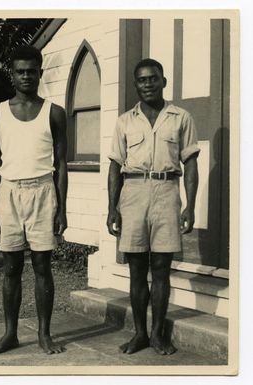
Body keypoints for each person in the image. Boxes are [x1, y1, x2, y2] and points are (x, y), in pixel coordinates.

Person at [107, 58, 199, 356]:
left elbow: (191, 163)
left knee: (161, 268)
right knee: (136, 269)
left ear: (164, 81)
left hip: (167, 190)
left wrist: (190, 206)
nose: (148, 84)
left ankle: (158, 335)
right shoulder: (124, 121)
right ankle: (140, 334)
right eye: (142, 80)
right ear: (136, 85)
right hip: (132, 192)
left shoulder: (180, 117)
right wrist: (112, 208)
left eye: (153, 78)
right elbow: (114, 167)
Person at [0, 45, 68, 355]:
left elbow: (61, 164)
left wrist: (63, 207)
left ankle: (45, 335)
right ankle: (11, 333)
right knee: (11, 268)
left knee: (43, 266)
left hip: (43, 192)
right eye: (20, 71)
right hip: (9, 193)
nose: (26, 76)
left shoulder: (54, 113)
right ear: (12, 74)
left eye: (31, 71)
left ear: (40, 73)